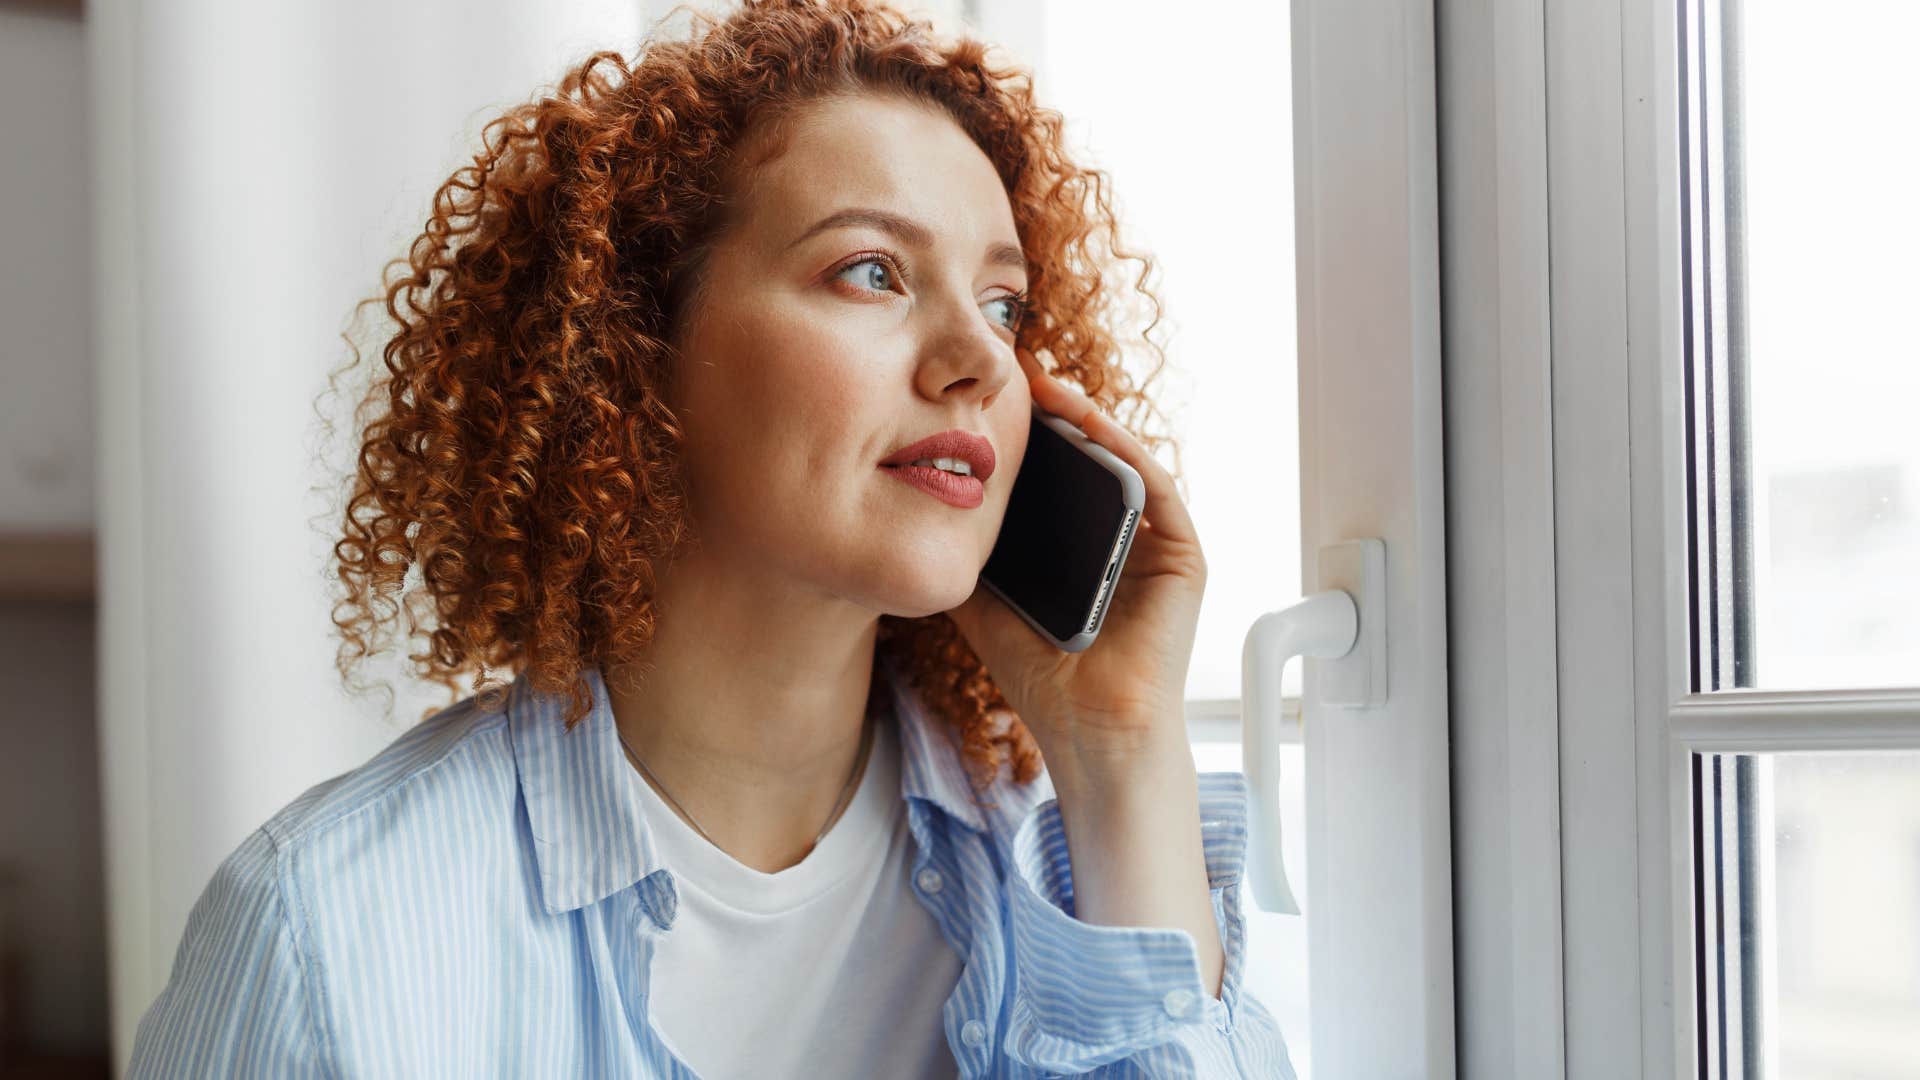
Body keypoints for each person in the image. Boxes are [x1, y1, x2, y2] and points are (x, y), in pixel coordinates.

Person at [126, 0, 1296, 1076]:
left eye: (1004, 303)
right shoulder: (329, 930)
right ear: (637, 351)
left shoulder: (1069, 874)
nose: (982, 359)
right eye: (872, 272)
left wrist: (1122, 751)